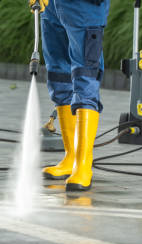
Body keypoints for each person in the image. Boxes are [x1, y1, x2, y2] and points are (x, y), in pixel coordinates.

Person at [31, 0, 111, 191]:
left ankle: (83, 165)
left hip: (84, 7)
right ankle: (71, 157)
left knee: (85, 76)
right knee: (59, 75)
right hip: (52, 7)